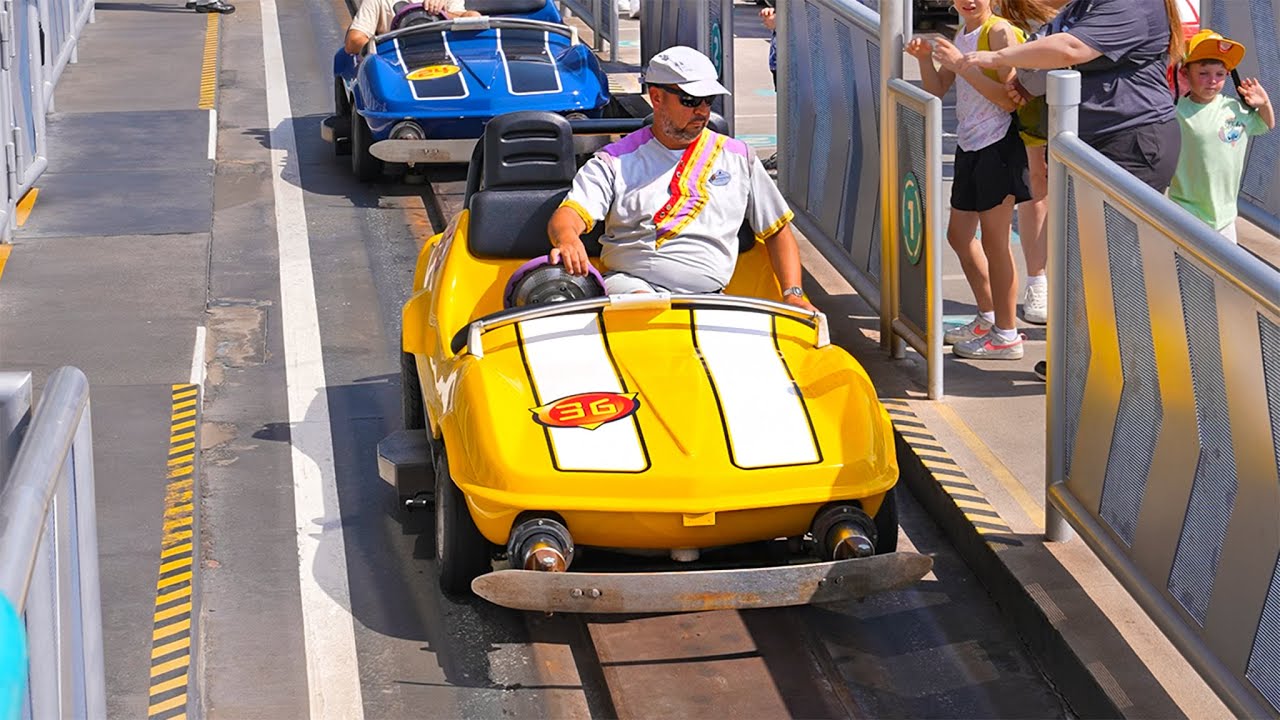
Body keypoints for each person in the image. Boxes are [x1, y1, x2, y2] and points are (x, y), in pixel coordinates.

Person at [960, 0, 1185, 380]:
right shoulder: (1087, 3)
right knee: (1085, 259)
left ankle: (1131, 369)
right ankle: (1085, 361)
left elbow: (1070, 49)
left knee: (1116, 263)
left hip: (1131, 142)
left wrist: (996, 57)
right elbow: (1047, 43)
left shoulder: (1133, 3)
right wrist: (1025, 82)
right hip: (1092, 143)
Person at [547, 46, 814, 311]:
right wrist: (568, 239)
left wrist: (793, 293)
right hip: (632, 288)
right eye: (690, 100)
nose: (702, 111)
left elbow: (777, 229)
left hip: (709, 298)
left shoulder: (739, 158)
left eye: (708, 100)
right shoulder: (614, 160)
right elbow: (570, 214)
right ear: (656, 97)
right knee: (643, 307)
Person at [908, 0, 1045, 361]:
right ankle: (988, 317)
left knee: (995, 242)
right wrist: (925, 58)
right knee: (958, 235)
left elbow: (1010, 99)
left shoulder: (999, 31)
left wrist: (960, 66)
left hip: (999, 145)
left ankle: (1007, 334)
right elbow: (937, 89)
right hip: (971, 143)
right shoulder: (962, 32)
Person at [1169, 30, 1274, 244]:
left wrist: (1265, 103)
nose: (1212, 81)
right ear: (1186, 73)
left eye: (1219, 74)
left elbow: (1266, 124)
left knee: (1222, 275)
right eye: (1203, 73)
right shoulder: (1176, 111)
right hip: (1185, 211)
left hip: (1225, 217)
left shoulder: (1235, 108)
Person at [345, 0, 475, 55]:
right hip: (395, 61)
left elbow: (472, 19)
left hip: (443, 56)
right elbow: (353, 40)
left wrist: (444, 14)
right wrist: (387, 48)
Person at [760, 2, 779, 171]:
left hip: (797, 61)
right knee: (786, 112)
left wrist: (779, 23)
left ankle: (791, 159)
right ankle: (787, 156)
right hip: (780, 60)